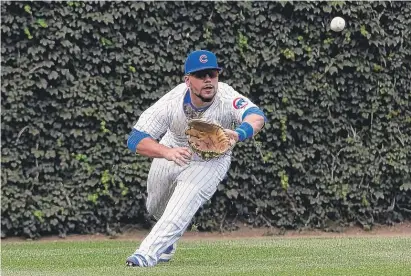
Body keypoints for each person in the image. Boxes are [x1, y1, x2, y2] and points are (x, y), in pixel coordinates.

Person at [125, 50, 267, 267]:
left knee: (182, 202)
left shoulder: (227, 97)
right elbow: (135, 139)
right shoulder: (170, 102)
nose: (208, 80)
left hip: (212, 159)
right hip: (173, 148)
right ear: (187, 80)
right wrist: (166, 152)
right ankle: (168, 240)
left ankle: (145, 255)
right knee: (154, 207)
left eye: (212, 74)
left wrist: (239, 133)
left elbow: (257, 117)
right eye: (201, 75)